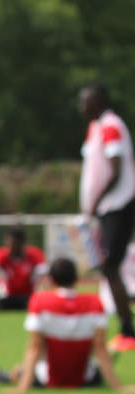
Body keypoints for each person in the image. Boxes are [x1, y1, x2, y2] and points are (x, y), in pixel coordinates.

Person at [0, 258, 131, 393]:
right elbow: (100, 348)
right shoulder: (94, 304)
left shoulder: (40, 302)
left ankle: (0, 374)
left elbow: (34, 348)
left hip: (48, 378)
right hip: (85, 378)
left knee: (30, 361)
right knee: (109, 351)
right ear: (76, 279)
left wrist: (22, 387)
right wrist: (118, 387)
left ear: (52, 280)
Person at [78, 83, 135, 351]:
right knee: (109, 266)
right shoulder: (95, 127)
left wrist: (97, 199)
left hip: (118, 205)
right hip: (106, 208)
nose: (82, 106)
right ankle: (126, 326)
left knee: (110, 265)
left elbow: (115, 169)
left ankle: (127, 330)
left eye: (85, 101)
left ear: (98, 101)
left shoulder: (111, 125)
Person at [0, 226, 48, 312]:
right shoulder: (0, 255)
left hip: (28, 297)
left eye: (13, 243)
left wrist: (48, 296)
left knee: (41, 305)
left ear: (21, 243)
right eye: (8, 242)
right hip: (7, 297)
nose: (9, 246)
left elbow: (45, 277)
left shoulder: (35, 254)